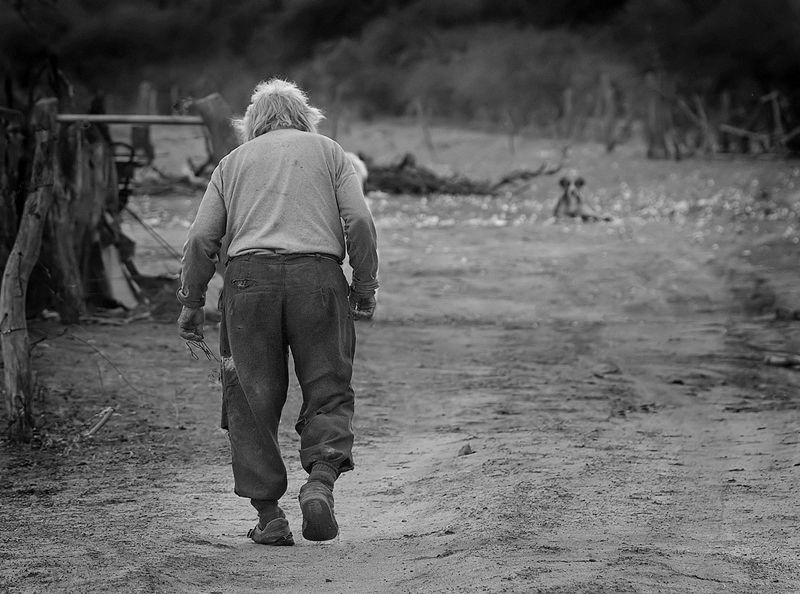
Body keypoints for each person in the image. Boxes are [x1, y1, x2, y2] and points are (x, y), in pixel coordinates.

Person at [176, 78, 379, 545]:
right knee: (328, 386)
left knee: (250, 398)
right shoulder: (330, 152)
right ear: (305, 116)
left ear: (252, 124)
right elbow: (361, 222)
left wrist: (191, 302)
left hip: (248, 284)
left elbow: (201, 239)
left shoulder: (231, 163)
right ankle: (321, 482)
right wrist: (364, 286)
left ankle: (269, 517)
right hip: (319, 278)